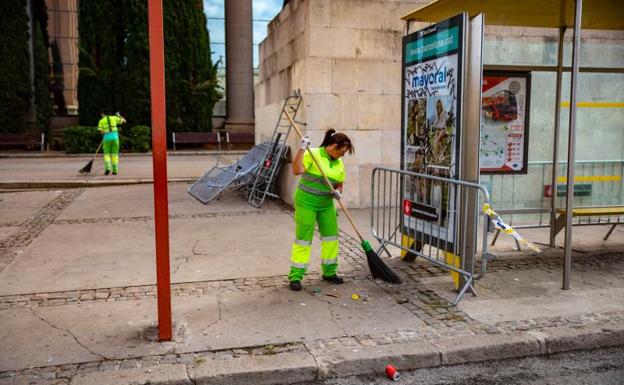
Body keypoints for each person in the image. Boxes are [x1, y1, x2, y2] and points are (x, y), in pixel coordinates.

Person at [288, 129, 354, 291]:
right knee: (304, 238)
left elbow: (339, 183)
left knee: (331, 237)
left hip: (325, 204)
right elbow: (296, 171)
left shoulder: (339, 164)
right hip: (306, 201)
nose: (343, 155)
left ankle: (329, 272)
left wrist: (338, 191)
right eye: (343, 151)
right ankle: (296, 275)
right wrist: (302, 149)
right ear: (333, 146)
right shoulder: (313, 154)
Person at [97, 110, 126, 175]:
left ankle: (107, 168)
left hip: (106, 139)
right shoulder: (114, 118)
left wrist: (106, 133)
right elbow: (124, 120)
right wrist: (119, 115)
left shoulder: (101, 121)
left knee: (106, 154)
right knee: (114, 154)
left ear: (103, 114)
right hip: (115, 138)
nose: (101, 116)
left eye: (101, 115)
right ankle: (115, 170)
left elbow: (101, 132)